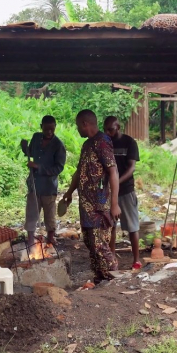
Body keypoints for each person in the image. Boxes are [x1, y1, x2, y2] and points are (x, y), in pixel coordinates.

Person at [62, 110, 121, 284]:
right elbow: (79, 172)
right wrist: (68, 193)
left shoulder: (102, 143)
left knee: (99, 243)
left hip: (99, 205)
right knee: (89, 241)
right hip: (86, 205)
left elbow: (113, 172)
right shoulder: (87, 145)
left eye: (77, 126)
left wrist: (115, 204)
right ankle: (100, 276)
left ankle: (115, 277)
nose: (77, 129)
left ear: (84, 124)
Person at [103, 116, 142, 270]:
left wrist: (117, 182)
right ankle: (112, 260)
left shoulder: (129, 142)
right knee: (111, 225)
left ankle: (136, 260)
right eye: (105, 129)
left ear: (118, 127)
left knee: (132, 226)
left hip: (126, 190)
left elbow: (131, 168)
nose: (108, 132)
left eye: (111, 129)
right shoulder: (105, 143)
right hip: (109, 192)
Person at [25, 115, 66, 248]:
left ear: (55, 127)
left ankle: (50, 239)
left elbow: (58, 168)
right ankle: (30, 240)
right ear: (41, 127)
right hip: (34, 184)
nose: (49, 132)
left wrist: (38, 167)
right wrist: (25, 148)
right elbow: (30, 152)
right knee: (31, 212)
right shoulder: (36, 137)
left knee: (49, 214)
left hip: (49, 187)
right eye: (46, 129)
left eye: (52, 129)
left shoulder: (58, 145)